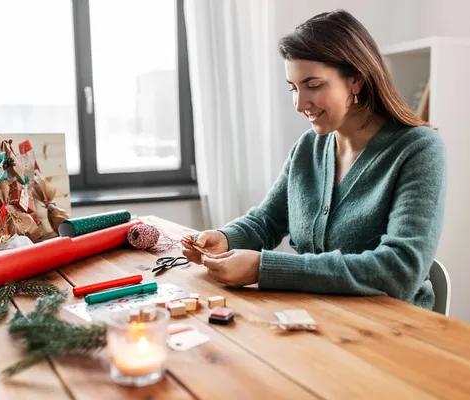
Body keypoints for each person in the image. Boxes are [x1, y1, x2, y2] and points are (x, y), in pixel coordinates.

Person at [182, 9, 446, 310]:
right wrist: (225, 238)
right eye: (293, 88)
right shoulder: (309, 147)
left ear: (356, 81)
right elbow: (267, 221)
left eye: (313, 85)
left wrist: (263, 268)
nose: (299, 104)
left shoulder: (419, 149)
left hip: (394, 331)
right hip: (314, 316)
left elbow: (401, 271)